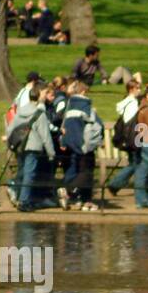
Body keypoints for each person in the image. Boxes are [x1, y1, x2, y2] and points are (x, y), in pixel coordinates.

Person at [9, 83, 57, 211]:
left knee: (22, 172)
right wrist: (51, 153)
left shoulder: (21, 111)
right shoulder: (39, 114)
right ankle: (24, 202)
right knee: (29, 174)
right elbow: (45, 136)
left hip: (20, 147)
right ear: (39, 97)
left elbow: (11, 128)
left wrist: (10, 143)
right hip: (33, 147)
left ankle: (19, 196)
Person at [60, 80, 101, 211]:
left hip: (70, 145)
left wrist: (64, 141)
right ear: (83, 92)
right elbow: (96, 126)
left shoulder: (69, 106)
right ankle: (71, 192)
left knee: (74, 171)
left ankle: (81, 200)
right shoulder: (86, 107)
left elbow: (65, 125)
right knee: (87, 173)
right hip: (84, 146)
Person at [106, 78, 144, 196]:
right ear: (132, 89)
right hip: (134, 138)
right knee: (136, 163)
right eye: (138, 88)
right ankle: (115, 184)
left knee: (134, 163)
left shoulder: (126, 102)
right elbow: (132, 122)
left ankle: (116, 185)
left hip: (128, 138)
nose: (140, 90)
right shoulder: (133, 103)